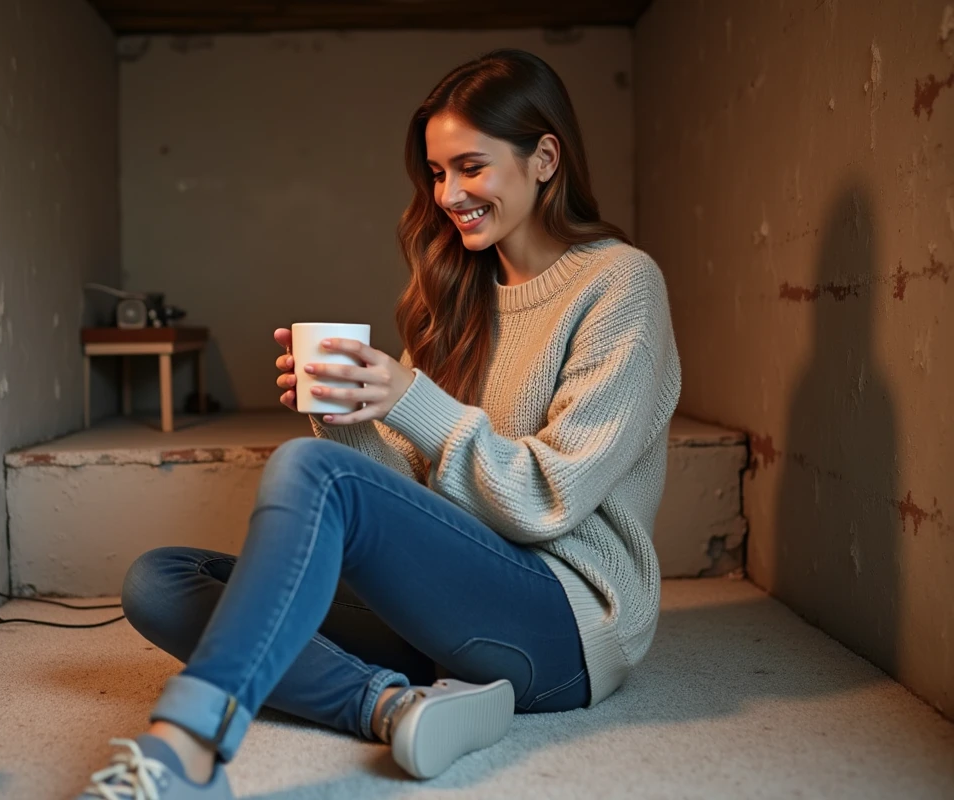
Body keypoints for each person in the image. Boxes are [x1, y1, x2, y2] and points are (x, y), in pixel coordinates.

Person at [80, 48, 681, 799]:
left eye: (470, 166)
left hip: (563, 624)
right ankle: (391, 705)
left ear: (545, 158)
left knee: (306, 476)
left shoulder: (620, 284)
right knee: (162, 581)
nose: (448, 194)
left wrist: (406, 399)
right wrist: (344, 416)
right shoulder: (455, 293)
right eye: (435, 173)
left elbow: (546, 499)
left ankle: (187, 750)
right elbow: (405, 496)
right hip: (451, 605)